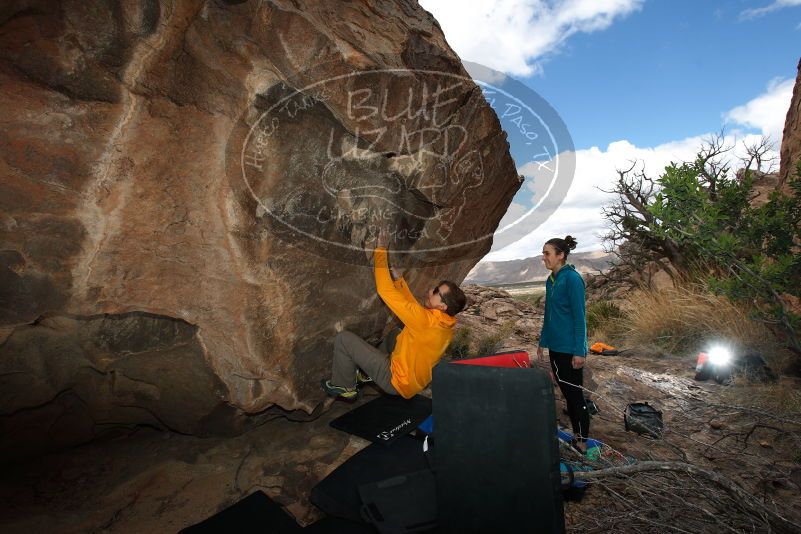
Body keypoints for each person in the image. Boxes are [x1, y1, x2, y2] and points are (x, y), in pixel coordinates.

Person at [321, 229, 467, 400]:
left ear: (442, 306)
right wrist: (399, 281)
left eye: (435, 291)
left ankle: (345, 387)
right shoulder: (446, 323)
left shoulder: (425, 322)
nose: (429, 291)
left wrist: (381, 251)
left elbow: (384, 291)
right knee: (395, 335)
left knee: (343, 340)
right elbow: (414, 311)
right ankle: (368, 373)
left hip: (395, 381)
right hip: (413, 382)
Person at [536, 235, 590, 452]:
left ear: (561, 255)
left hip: (570, 349)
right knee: (567, 392)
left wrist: (580, 351)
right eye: (543, 253)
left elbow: (580, 318)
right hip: (555, 348)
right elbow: (549, 314)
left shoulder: (573, 279)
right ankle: (576, 436)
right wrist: (543, 341)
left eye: (547, 253)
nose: (544, 257)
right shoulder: (551, 280)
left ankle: (582, 441)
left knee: (575, 395)